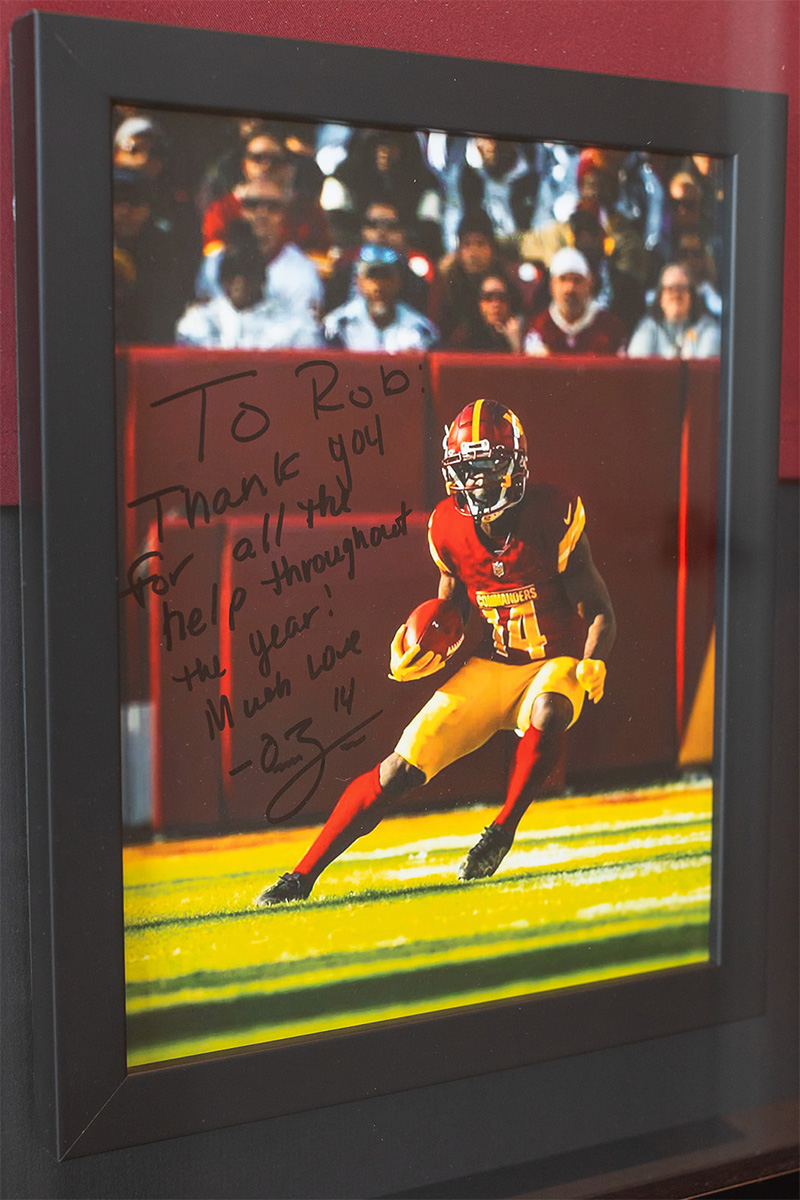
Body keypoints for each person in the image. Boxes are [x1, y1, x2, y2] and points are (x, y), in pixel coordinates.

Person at [255, 398, 616, 905]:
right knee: (400, 767)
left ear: (515, 467)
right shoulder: (447, 526)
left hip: (554, 663)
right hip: (494, 666)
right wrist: (425, 644)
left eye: (489, 470)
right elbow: (453, 606)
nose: (478, 484)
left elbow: (599, 609)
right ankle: (300, 876)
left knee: (549, 708)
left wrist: (594, 658)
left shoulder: (552, 514)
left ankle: (501, 830)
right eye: (468, 472)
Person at [196, 183, 323, 348]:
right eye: (252, 205)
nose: (262, 214)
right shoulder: (214, 263)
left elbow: (305, 338)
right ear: (240, 210)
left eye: (273, 207)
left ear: (284, 214)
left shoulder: (302, 271)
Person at [323, 245, 439, 352]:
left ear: (398, 281)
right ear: (359, 281)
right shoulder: (336, 326)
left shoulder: (420, 330)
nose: (378, 286)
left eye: (385, 276)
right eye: (372, 276)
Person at [524, 247, 627, 356]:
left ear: (589, 284)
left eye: (577, 280)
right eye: (563, 279)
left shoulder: (611, 327)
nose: (570, 288)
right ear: (552, 285)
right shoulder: (539, 327)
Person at [627, 263, 720, 359]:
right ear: (661, 298)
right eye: (670, 289)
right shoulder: (648, 326)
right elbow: (638, 363)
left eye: (681, 288)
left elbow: (705, 369)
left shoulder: (707, 327)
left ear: (691, 296)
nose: (676, 294)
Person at [446, 274, 523, 352]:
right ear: (480, 303)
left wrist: (515, 344)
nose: (496, 304)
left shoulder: (519, 332)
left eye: (501, 297)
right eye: (489, 297)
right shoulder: (465, 334)